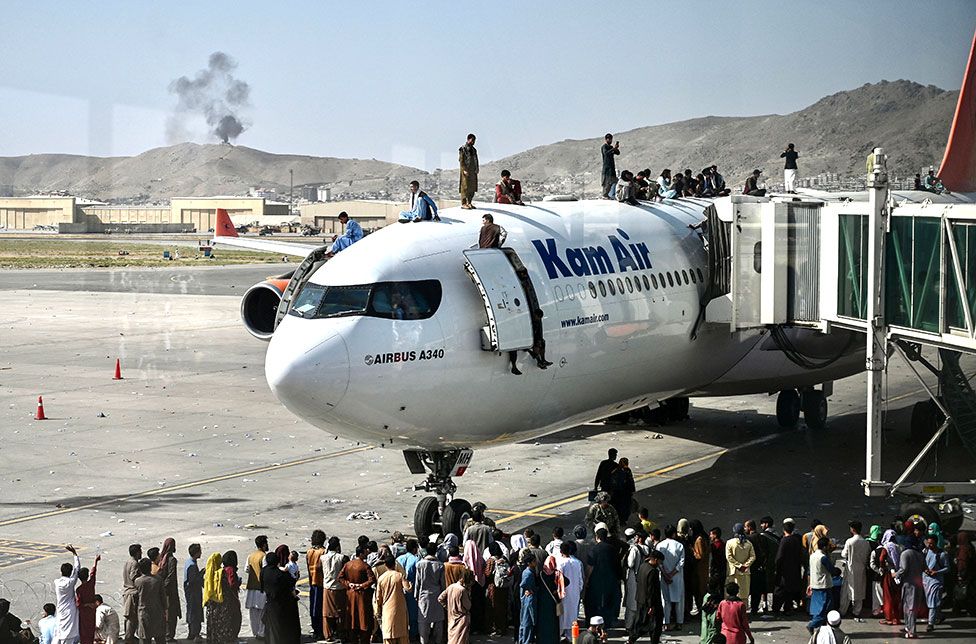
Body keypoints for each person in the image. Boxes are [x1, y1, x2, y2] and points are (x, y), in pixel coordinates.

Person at [584, 528, 621, 627]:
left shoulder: (594, 549)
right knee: (608, 601)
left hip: (596, 580)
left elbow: (590, 566)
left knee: (595, 602)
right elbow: (617, 565)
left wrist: (586, 579)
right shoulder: (612, 549)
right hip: (610, 580)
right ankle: (607, 622)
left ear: (597, 537)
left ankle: (595, 622)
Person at [261, 551, 300, 644]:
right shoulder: (280, 574)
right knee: (280, 625)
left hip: (269, 602)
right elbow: (290, 583)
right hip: (280, 603)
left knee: (270, 626)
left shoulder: (264, 571)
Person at [340, 546, 377, 644]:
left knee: (352, 619)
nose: (366, 554)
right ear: (361, 553)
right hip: (362, 595)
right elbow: (372, 579)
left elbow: (340, 578)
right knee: (363, 618)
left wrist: (348, 584)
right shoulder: (365, 566)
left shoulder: (348, 564)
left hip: (350, 594)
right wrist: (362, 586)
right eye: (365, 552)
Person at [204, 551, 242, 644]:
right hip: (225, 603)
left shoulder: (209, 574)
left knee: (214, 625)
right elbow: (231, 585)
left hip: (212, 605)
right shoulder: (222, 573)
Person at [628, 548, 663, 644]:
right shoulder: (653, 571)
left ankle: (632, 639)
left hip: (641, 599)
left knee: (641, 623)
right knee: (654, 624)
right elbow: (651, 590)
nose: (660, 564)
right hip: (651, 603)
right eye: (660, 561)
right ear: (655, 559)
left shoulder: (643, 566)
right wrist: (651, 606)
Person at [414, 543, 445, 644]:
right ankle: (438, 641)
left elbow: (417, 582)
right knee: (438, 621)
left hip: (423, 596)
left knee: (423, 622)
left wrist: (416, 595)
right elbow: (443, 584)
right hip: (437, 596)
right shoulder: (440, 565)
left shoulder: (420, 564)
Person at [808, 537, 840, 633]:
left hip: (815, 584)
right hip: (824, 585)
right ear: (825, 546)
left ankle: (821, 627)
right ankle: (813, 624)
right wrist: (838, 571)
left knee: (818, 607)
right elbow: (832, 570)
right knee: (825, 608)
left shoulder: (812, 556)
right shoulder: (823, 558)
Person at [374, 555, 409, 644]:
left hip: (387, 610)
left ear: (385, 565)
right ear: (395, 564)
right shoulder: (399, 575)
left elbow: (378, 597)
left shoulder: (381, 578)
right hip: (400, 610)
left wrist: (378, 611)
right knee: (402, 635)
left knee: (389, 636)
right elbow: (408, 588)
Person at [840, 520, 871, 618]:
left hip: (850, 569)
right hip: (861, 569)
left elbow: (844, 554)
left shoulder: (850, 541)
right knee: (860, 590)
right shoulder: (866, 542)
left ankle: (843, 610)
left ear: (852, 529)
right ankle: (856, 611)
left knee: (846, 591)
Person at [773, 519, 805, 614]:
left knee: (780, 590)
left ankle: (776, 608)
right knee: (790, 590)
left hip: (784, 570)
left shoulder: (784, 541)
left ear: (784, 530)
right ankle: (788, 607)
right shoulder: (797, 539)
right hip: (795, 568)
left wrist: (776, 568)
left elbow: (779, 557)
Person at [657, 525, 686, 631]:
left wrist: (665, 574)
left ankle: (666, 623)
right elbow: (681, 562)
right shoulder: (679, 546)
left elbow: (659, 563)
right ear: (674, 534)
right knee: (679, 600)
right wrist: (672, 573)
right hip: (676, 577)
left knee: (665, 601)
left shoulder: (660, 546)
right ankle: (679, 622)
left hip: (664, 577)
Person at [322, 537, 348, 643]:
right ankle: (341, 634)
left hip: (327, 588)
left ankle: (328, 635)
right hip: (339, 588)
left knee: (327, 614)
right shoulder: (342, 558)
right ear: (338, 546)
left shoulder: (322, 557)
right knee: (340, 613)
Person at [874, 529, 903, 625]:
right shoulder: (899, 547)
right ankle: (897, 618)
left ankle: (889, 617)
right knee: (896, 596)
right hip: (898, 573)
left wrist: (882, 567)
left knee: (888, 596)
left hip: (889, 574)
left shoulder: (887, 547)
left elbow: (882, 558)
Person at [555, 545, 584, 641]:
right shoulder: (577, 563)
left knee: (562, 617)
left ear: (561, 552)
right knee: (572, 616)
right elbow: (580, 580)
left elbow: (559, 580)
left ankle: (558, 636)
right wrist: (578, 590)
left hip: (564, 594)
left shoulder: (561, 563)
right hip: (575, 593)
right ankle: (571, 638)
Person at [134, 558, 165, 644]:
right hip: (157, 612)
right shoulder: (158, 580)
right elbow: (163, 597)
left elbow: (136, 599)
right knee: (160, 638)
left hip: (144, 613)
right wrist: (165, 610)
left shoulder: (138, 581)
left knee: (145, 639)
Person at [54, 545, 81, 644]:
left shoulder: (57, 582)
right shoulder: (70, 583)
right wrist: (74, 554)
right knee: (70, 630)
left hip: (61, 608)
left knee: (60, 629)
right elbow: (77, 569)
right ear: (70, 572)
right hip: (70, 608)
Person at [484, 543, 512, 637]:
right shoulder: (504, 559)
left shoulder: (491, 561)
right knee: (503, 607)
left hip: (493, 587)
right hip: (504, 587)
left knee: (493, 607)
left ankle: (495, 628)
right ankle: (503, 628)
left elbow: (487, 574)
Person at [438, 569, 473, 644]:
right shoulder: (462, 590)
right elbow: (468, 606)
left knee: (452, 639)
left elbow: (440, 598)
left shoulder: (451, 586)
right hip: (461, 619)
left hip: (451, 617)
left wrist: (448, 607)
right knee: (460, 640)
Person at [923, 534, 949, 632]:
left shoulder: (942, 554)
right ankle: (939, 615)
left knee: (932, 602)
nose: (929, 545)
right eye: (928, 543)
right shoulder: (925, 551)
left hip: (936, 582)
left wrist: (936, 572)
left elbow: (947, 568)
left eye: (931, 544)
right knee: (931, 601)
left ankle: (930, 624)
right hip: (926, 580)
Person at [396, 539, 421, 640]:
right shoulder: (416, 560)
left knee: (401, 612)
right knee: (412, 613)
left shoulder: (399, 559)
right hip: (412, 589)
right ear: (415, 549)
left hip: (399, 589)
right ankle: (413, 634)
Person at [156, 539, 180, 642]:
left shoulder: (161, 558)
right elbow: (171, 576)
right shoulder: (171, 560)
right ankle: (169, 635)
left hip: (163, 590)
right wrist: (165, 587)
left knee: (165, 613)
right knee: (171, 614)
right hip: (170, 592)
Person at [244, 536, 268, 641]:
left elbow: (246, 569)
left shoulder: (250, 556)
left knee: (253, 613)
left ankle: (255, 632)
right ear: (263, 545)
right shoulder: (264, 556)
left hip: (251, 588)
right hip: (261, 588)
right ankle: (261, 633)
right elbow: (266, 571)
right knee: (262, 612)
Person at [756, 517, 780, 615]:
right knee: (775, 584)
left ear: (766, 524)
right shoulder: (777, 535)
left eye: (762, 524)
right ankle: (775, 605)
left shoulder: (763, 536)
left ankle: (765, 604)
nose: (761, 526)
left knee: (764, 585)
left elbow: (762, 552)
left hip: (767, 564)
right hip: (776, 563)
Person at [305, 531, 326, 642]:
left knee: (313, 607)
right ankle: (321, 630)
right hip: (321, 582)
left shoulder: (309, 552)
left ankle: (315, 629)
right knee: (320, 608)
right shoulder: (323, 552)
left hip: (312, 582)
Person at [726, 525, 755, 603]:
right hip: (745, 572)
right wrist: (745, 565)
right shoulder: (748, 543)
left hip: (733, 571)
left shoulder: (729, 542)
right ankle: (743, 611)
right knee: (744, 594)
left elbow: (729, 557)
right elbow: (753, 557)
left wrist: (738, 565)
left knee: (732, 593)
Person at [743, 521, 767, 616]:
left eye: (745, 527)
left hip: (751, 567)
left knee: (749, 588)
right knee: (757, 590)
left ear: (749, 527)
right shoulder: (762, 537)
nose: (745, 529)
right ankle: (754, 608)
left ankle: (746, 608)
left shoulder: (749, 539)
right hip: (760, 567)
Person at [536, 555, 560, 644]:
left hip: (542, 602)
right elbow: (567, 581)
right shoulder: (557, 574)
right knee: (553, 623)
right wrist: (556, 589)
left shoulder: (541, 574)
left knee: (543, 622)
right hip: (553, 602)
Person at [182, 544, 204, 642]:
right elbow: (193, 581)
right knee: (195, 612)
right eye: (200, 551)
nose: (201, 553)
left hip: (191, 592)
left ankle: (192, 632)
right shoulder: (192, 565)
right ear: (196, 553)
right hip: (193, 593)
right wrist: (201, 575)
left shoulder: (189, 562)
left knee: (192, 611)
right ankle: (195, 634)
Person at [76, 555, 100, 644]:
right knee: (91, 630)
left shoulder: (79, 589)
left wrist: (86, 605)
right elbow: (93, 573)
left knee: (84, 632)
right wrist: (95, 561)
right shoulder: (91, 584)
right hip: (91, 611)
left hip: (84, 613)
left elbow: (78, 604)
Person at [123, 545, 142, 644]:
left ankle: (129, 636)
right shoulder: (135, 563)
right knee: (131, 617)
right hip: (132, 593)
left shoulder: (128, 562)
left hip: (127, 592)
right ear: (137, 552)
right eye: (140, 551)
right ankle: (129, 638)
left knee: (129, 616)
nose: (141, 553)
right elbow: (133, 576)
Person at [517, 553, 537, 644]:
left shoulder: (529, 571)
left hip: (526, 599)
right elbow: (523, 584)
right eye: (534, 561)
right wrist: (530, 589)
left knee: (525, 622)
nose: (535, 562)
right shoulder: (528, 573)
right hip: (528, 600)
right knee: (527, 622)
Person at [610, 458, 636, 524]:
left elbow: (631, 481)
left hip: (623, 493)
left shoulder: (624, 471)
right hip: (620, 493)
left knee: (624, 507)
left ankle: (622, 519)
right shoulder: (620, 471)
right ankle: (621, 519)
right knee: (622, 507)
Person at [459, 134, 479, 209]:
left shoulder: (474, 150)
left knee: (472, 187)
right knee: (465, 187)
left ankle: (469, 202)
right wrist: (464, 170)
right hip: (465, 170)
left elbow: (476, 159)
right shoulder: (463, 148)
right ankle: (464, 203)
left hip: (473, 170)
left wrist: (477, 168)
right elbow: (461, 160)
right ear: (468, 139)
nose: (473, 142)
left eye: (474, 140)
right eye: (472, 140)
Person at [601, 134, 620, 199]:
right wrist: (613, 149)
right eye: (609, 139)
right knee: (606, 182)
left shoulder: (611, 147)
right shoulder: (604, 147)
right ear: (606, 139)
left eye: (611, 139)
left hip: (612, 168)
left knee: (613, 181)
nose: (610, 140)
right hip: (607, 168)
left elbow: (618, 153)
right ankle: (605, 195)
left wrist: (616, 148)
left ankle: (608, 194)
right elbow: (606, 153)